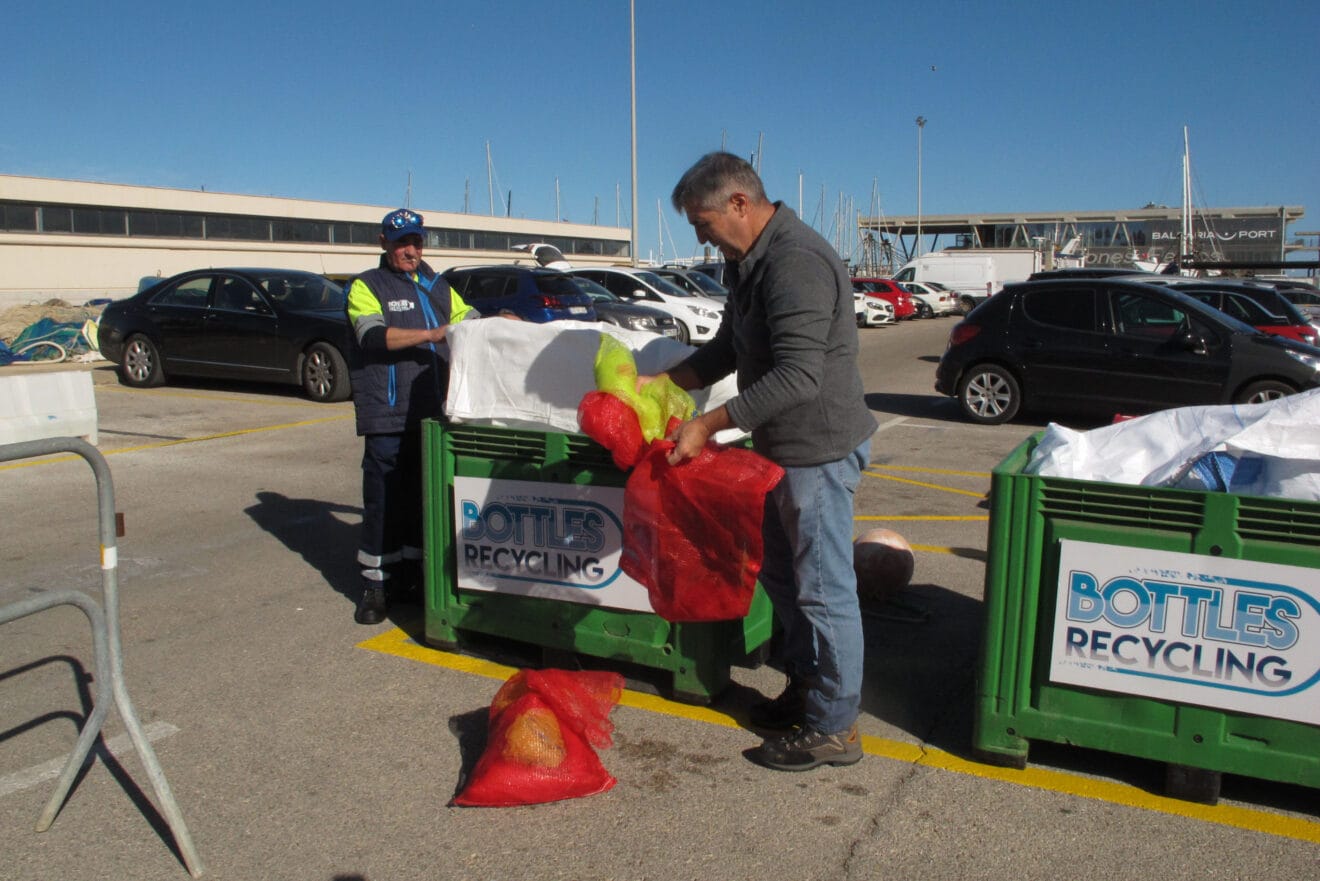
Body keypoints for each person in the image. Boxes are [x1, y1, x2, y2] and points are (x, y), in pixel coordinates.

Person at [651, 152, 877, 771]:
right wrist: (668, 385)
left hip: (819, 450)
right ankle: (810, 689)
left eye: (703, 222)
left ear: (740, 204)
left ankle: (835, 727)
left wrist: (706, 424)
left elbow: (798, 376)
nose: (699, 236)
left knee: (823, 589)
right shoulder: (746, 263)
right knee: (782, 578)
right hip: (780, 452)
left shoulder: (794, 262)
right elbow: (731, 346)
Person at [344, 208, 481, 625]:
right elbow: (371, 336)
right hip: (387, 413)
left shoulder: (437, 285)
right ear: (383, 243)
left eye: (417, 241)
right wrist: (432, 334)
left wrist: (499, 321)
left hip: (432, 413)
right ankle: (375, 585)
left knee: (426, 501)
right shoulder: (366, 285)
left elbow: (469, 320)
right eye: (402, 242)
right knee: (384, 501)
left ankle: (414, 579)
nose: (411, 250)